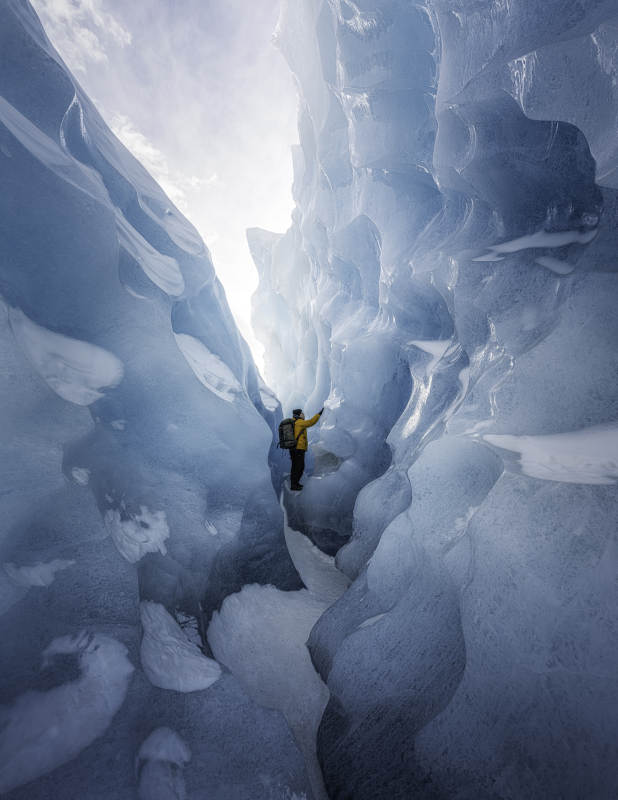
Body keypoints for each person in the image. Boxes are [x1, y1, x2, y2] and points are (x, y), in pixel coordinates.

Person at [289, 407, 323, 491]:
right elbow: (311, 422)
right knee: (299, 467)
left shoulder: (293, 422)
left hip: (293, 449)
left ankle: (294, 484)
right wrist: (319, 414)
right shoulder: (299, 422)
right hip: (298, 448)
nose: (303, 414)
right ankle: (294, 484)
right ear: (299, 414)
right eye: (302, 413)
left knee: (295, 467)